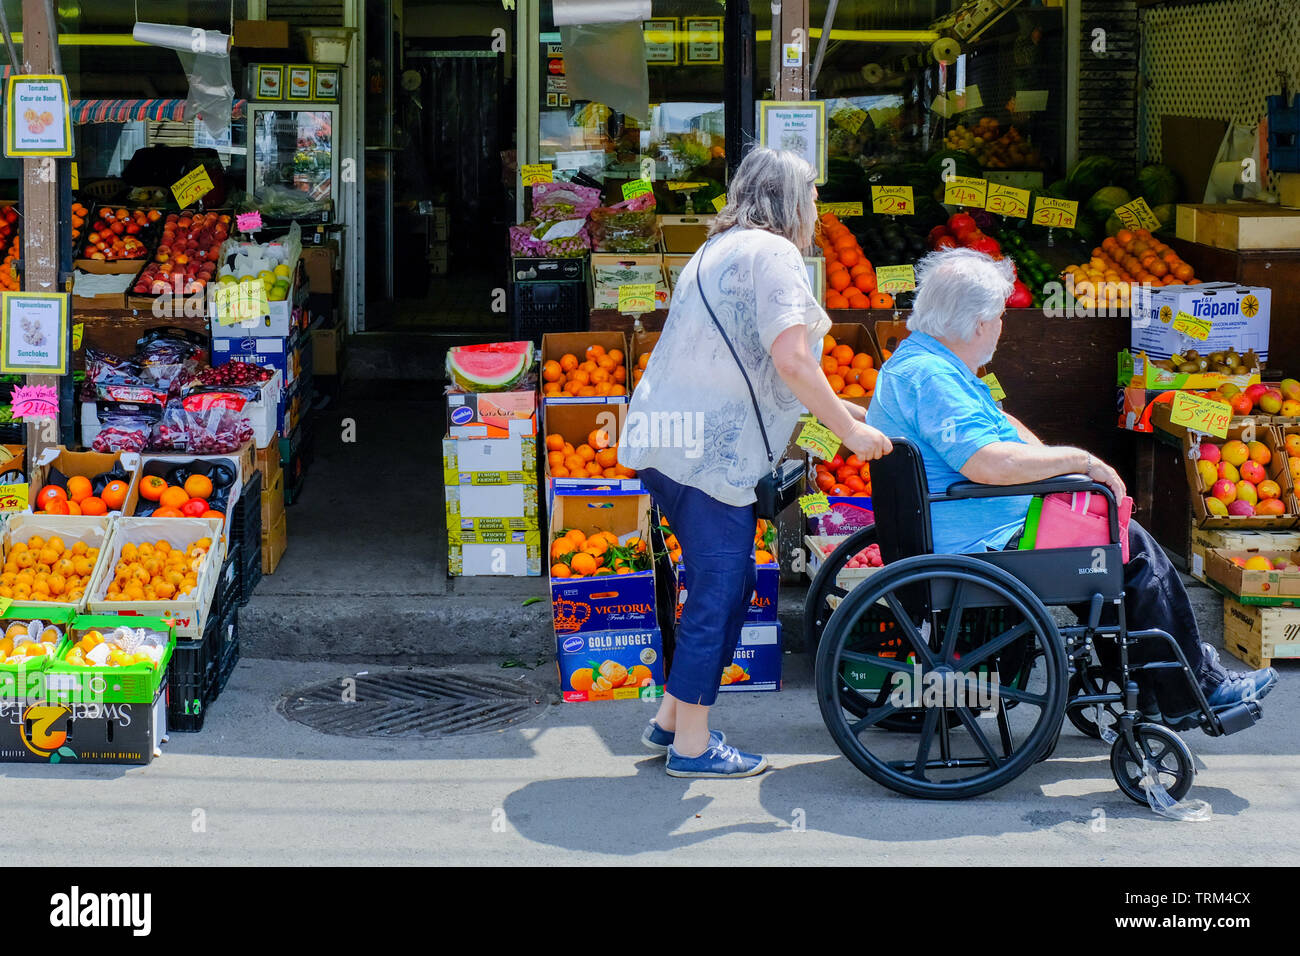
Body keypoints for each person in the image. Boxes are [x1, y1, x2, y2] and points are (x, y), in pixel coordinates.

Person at [865, 246, 1278, 727]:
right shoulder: (932, 378)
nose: (1002, 325)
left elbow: (1000, 425)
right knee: (1130, 547)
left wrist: (1057, 474)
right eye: (999, 316)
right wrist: (1079, 460)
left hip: (969, 525)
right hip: (980, 541)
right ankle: (1191, 690)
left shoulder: (925, 362)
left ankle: (1161, 680)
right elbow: (986, 461)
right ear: (978, 324)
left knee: (1103, 529)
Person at [619, 147, 893, 777]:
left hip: (672, 442)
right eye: (813, 195)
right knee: (719, 588)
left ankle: (669, 720)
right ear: (789, 200)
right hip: (707, 453)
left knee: (732, 583)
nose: (817, 208)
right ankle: (692, 746)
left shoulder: (717, 249)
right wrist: (848, 428)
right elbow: (792, 359)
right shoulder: (773, 255)